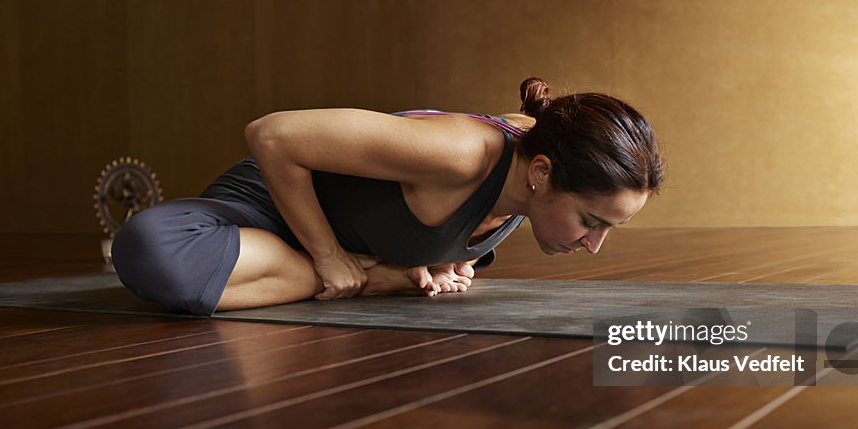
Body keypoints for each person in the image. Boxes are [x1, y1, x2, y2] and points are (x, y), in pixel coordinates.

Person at [111, 77, 664, 315]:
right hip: (257, 214)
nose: (594, 243)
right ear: (540, 173)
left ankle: (364, 274)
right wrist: (331, 260)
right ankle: (370, 278)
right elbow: (272, 134)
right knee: (149, 252)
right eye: (592, 221)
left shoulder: (543, 161)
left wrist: (433, 257)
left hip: (279, 260)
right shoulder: (463, 154)